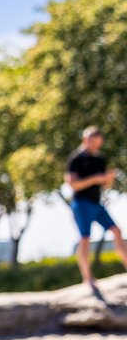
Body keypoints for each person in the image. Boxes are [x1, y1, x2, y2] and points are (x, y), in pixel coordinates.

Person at [66, 126, 127, 297]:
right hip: (81, 203)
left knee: (116, 231)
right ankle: (87, 277)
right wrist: (94, 179)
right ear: (85, 140)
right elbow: (73, 184)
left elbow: (105, 185)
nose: (95, 145)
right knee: (85, 238)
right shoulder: (76, 159)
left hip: (96, 204)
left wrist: (108, 180)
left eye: (97, 142)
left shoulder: (100, 159)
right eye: (92, 141)